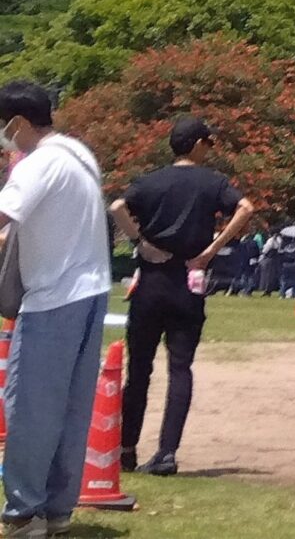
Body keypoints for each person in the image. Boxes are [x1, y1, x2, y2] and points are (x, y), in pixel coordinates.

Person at [108, 115, 254, 476]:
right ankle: (167, 452)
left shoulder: (150, 180)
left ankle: (127, 448)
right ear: (198, 144)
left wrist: (140, 242)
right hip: (189, 279)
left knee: (139, 369)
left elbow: (117, 207)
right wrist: (211, 250)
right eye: (207, 144)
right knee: (180, 367)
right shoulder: (212, 182)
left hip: (151, 278)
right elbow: (246, 208)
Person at [0, 79, 113, 534]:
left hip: (52, 298)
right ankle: (57, 508)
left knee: (30, 407)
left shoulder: (38, 164)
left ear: (18, 122)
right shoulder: (79, 154)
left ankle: (24, 511)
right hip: (91, 292)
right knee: (71, 408)